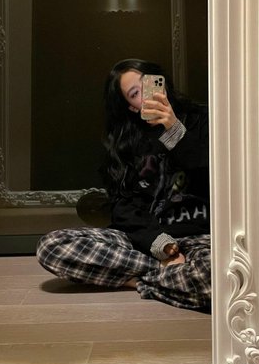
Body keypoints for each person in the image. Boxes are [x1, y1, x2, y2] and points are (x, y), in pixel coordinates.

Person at [36, 58, 211, 312]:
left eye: (149, 83)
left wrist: (174, 129)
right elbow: (122, 207)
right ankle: (172, 277)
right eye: (136, 93)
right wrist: (161, 246)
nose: (148, 94)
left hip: (200, 237)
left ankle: (139, 281)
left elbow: (212, 179)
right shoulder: (126, 143)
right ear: (131, 106)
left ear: (161, 82)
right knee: (52, 247)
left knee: (219, 277)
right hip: (144, 240)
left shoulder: (201, 120)